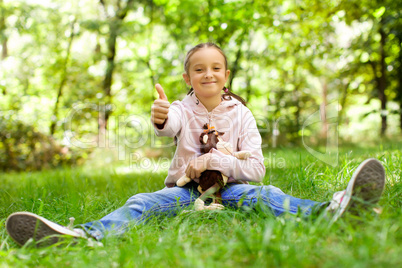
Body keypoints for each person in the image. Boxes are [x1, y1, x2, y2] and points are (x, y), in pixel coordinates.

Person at [5, 43, 386, 247]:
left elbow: (255, 168)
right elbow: (168, 125)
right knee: (142, 203)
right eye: (199, 68)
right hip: (186, 193)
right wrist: (159, 115)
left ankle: (332, 210)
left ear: (226, 75)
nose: (208, 73)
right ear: (188, 76)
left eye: (215, 68)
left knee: (266, 195)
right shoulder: (181, 110)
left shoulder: (242, 115)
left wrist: (217, 161)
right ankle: (82, 235)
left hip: (234, 190)